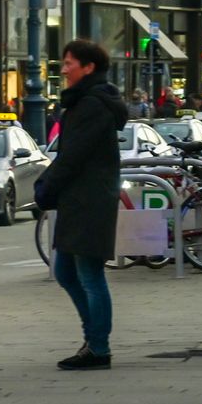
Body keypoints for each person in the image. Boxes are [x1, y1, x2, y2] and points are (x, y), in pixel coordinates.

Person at [34, 38, 126, 371]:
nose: (64, 68)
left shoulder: (91, 105)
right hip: (83, 197)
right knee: (66, 271)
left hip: (90, 198)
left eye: (70, 63)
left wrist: (48, 185)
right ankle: (94, 340)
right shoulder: (87, 101)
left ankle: (98, 347)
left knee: (88, 272)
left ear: (89, 68)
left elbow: (73, 154)